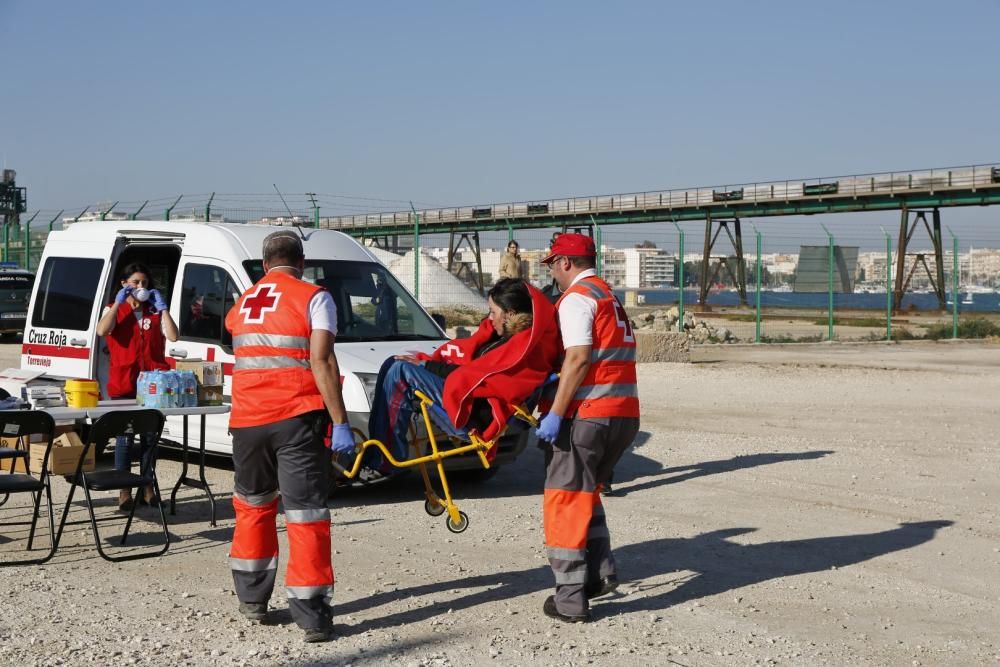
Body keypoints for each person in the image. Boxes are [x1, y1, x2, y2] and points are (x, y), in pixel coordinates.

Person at [224, 230, 355, 644]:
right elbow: (322, 359)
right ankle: (312, 616)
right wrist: (341, 421)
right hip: (296, 418)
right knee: (305, 514)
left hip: (246, 421)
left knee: (253, 507)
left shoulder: (242, 305)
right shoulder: (313, 297)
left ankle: (251, 599)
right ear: (301, 262)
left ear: (264, 265)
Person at [534, 233, 639, 623]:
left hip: (588, 416)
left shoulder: (577, 299)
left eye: (551, 264)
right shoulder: (608, 297)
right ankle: (599, 574)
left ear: (564, 263)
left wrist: (556, 412)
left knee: (565, 501)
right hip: (624, 413)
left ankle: (570, 600)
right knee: (586, 494)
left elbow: (578, 359)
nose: (551, 272)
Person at [365, 278, 560, 473]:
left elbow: (476, 377)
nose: (489, 319)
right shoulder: (503, 337)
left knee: (401, 370)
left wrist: (426, 365)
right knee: (393, 362)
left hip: (474, 411)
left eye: (493, 312)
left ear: (510, 314)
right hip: (467, 392)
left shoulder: (522, 349)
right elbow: (472, 369)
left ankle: (385, 460)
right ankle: (376, 448)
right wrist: (427, 363)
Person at [95, 262, 178, 511]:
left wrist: (163, 309)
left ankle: (148, 487)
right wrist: (118, 304)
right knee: (125, 438)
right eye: (135, 282)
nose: (140, 287)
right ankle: (124, 491)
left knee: (151, 437)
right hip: (124, 382)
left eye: (144, 283)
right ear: (124, 284)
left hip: (153, 383)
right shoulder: (114, 309)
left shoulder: (154, 310)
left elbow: (173, 336)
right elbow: (101, 331)